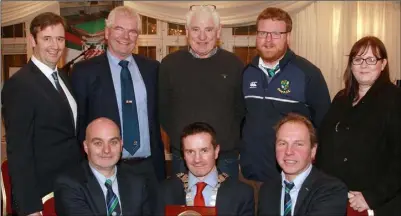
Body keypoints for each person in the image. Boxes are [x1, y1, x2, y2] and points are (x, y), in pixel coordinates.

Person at [240, 7, 331, 194]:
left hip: (288, 180)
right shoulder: (247, 72)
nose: (268, 40)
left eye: (276, 34)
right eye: (263, 33)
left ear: (288, 37)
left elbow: (324, 127)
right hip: (249, 176)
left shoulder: (308, 74)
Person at [70, 6, 165, 184]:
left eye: (132, 31)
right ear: (107, 32)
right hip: (106, 170)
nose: (125, 37)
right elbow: (78, 125)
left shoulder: (152, 69)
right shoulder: (84, 72)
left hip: (150, 169)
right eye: (119, 29)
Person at [1, 12, 83, 215]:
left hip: (71, 186)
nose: (55, 46)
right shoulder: (19, 85)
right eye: (47, 38)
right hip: (44, 194)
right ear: (32, 41)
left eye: (60, 39)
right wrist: (30, 206)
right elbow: (19, 152)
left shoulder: (63, 77)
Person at [316, 36, 401, 215]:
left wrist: (371, 197)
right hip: (336, 197)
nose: (364, 65)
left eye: (371, 59)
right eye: (358, 59)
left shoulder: (395, 100)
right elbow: (324, 143)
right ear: (351, 64)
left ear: (383, 64)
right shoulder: (340, 98)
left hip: (375, 204)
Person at [158, 5, 245, 178]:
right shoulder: (169, 65)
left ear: (218, 31)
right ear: (187, 31)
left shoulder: (235, 64)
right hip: (183, 158)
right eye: (196, 29)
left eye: (209, 29)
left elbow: (241, 111)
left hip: (225, 159)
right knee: (183, 206)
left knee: (227, 206)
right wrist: (185, 144)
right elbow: (163, 111)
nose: (202, 37)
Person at [54, 117, 151, 216]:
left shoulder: (138, 181)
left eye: (113, 142)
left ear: (121, 145)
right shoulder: (69, 184)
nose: (106, 150)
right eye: (98, 143)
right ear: (86, 147)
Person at [258, 113, 347, 216]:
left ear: (313, 151)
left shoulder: (332, 190)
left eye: (298, 144)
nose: (289, 151)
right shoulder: (267, 190)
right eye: (282, 143)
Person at [156, 122, 254, 215]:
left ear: (216, 151)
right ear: (183, 155)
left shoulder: (241, 194)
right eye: (190, 152)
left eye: (204, 150)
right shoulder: (165, 191)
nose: (197, 159)